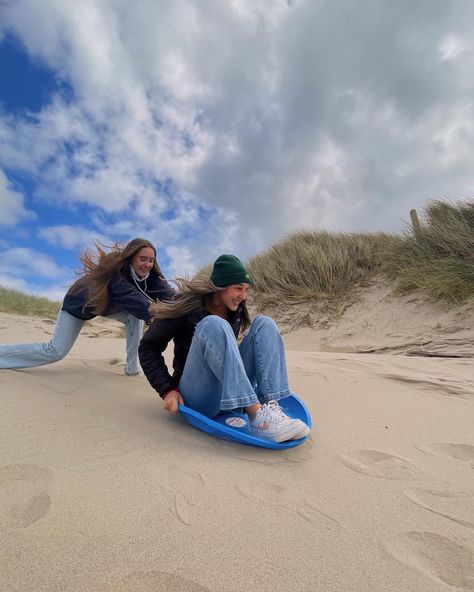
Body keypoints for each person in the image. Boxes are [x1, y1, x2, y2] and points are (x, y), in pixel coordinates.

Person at [139, 254, 310, 443]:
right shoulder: (187, 307)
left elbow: (227, 352)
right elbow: (148, 347)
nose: (243, 296)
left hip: (232, 397)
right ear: (219, 287)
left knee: (265, 323)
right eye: (238, 289)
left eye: (246, 290)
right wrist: (167, 389)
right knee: (212, 324)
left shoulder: (236, 310)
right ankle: (258, 418)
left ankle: (270, 408)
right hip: (198, 396)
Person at [0, 238, 174, 375]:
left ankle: (132, 367)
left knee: (134, 316)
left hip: (104, 307)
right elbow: (132, 298)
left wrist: (189, 308)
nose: (147, 264)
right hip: (76, 307)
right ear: (130, 258)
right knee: (55, 351)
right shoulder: (115, 276)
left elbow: (170, 295)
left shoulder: (148, 276)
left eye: (151, 260)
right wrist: (155, 316)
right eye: (143, 259)